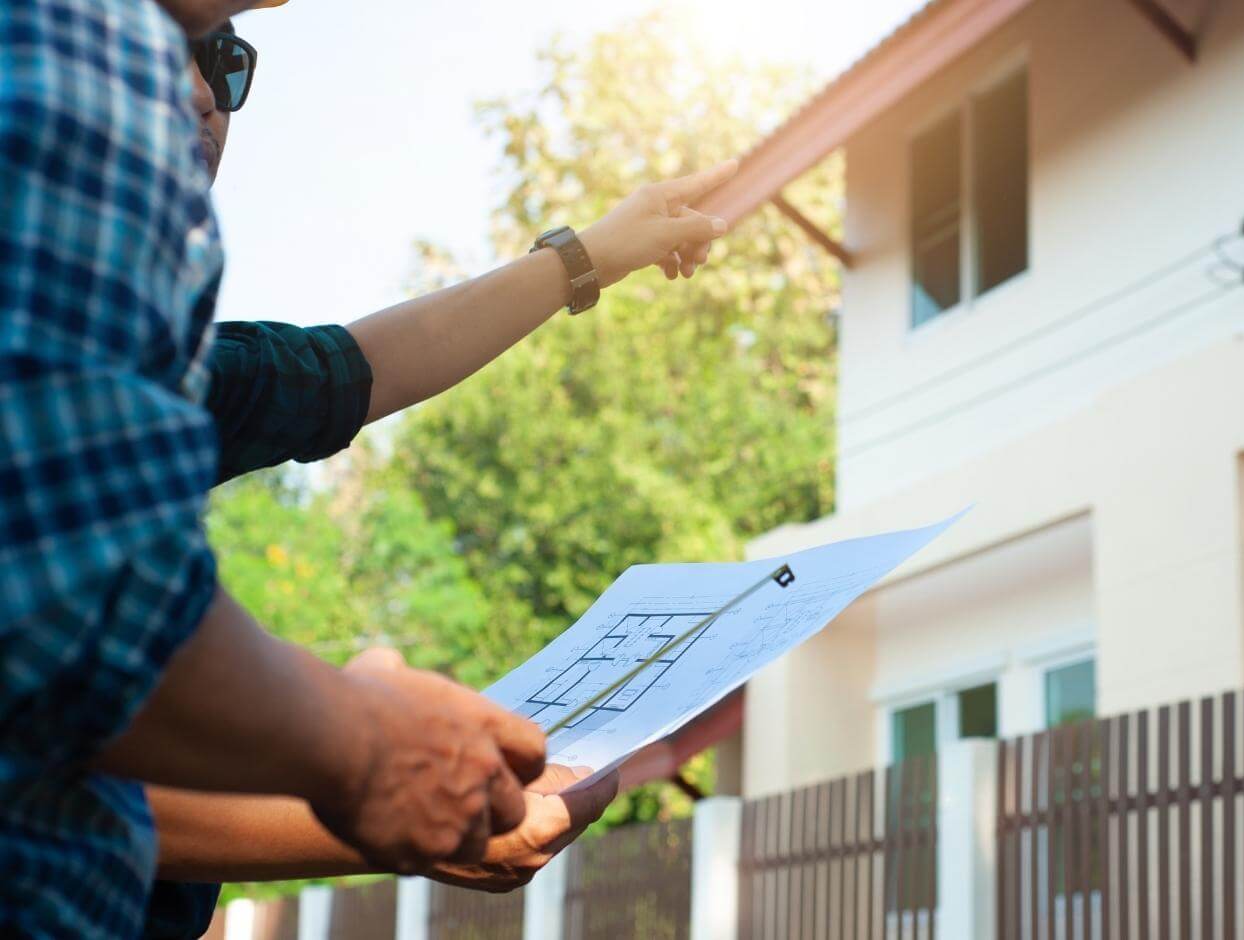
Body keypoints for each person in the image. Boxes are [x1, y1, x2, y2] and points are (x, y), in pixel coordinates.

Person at [0, 1, 724, 934]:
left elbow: (343, 371)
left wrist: (586, 257)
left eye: (223, 58)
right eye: (156, 40)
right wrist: (371, 758)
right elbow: (73, 641)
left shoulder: (150, 366)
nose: (193, 91)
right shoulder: (56, 70)